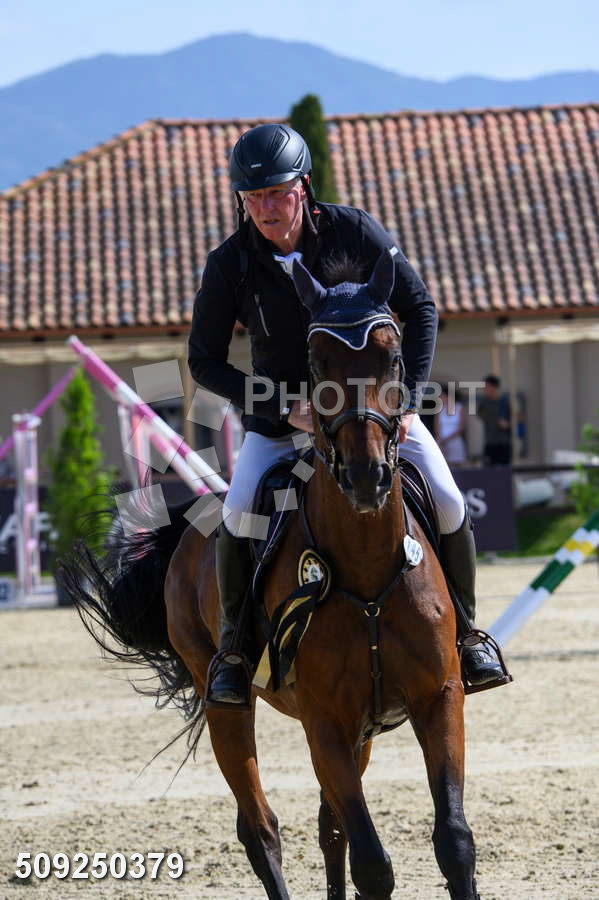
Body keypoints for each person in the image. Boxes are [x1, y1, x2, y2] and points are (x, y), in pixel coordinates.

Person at [188, 123, 506, 704]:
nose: (266, 209)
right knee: (236, 513)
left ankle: (468, 636)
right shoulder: (231, 263)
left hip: (374, 416)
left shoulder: (353, 231)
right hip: (282, 421)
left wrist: (405, 399)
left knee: (448, 498)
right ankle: (234, 651)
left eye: (277, 193)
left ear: (304, 186)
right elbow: (202, 361)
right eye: (253, 198)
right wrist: (282, 407)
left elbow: (420, 307)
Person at [477, 375, 512, 465]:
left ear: (494, 388)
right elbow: (480, 415)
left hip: (502, 442)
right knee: (488, 468)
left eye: (487, 387)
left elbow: (513, 419)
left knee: (504, 468)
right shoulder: (484, 402)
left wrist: (507, 424)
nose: (484, 390)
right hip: (489, 441)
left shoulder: (504, 402)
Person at [434, 385, 467, 466]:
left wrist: (447, 439)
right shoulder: (440, 409)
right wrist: (441, 441)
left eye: (442, 396)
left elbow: (461, 427)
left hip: (455, 441)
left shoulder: (459, 408)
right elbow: (436, 427)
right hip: (441, 442)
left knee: (457, 465)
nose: (440, 399)